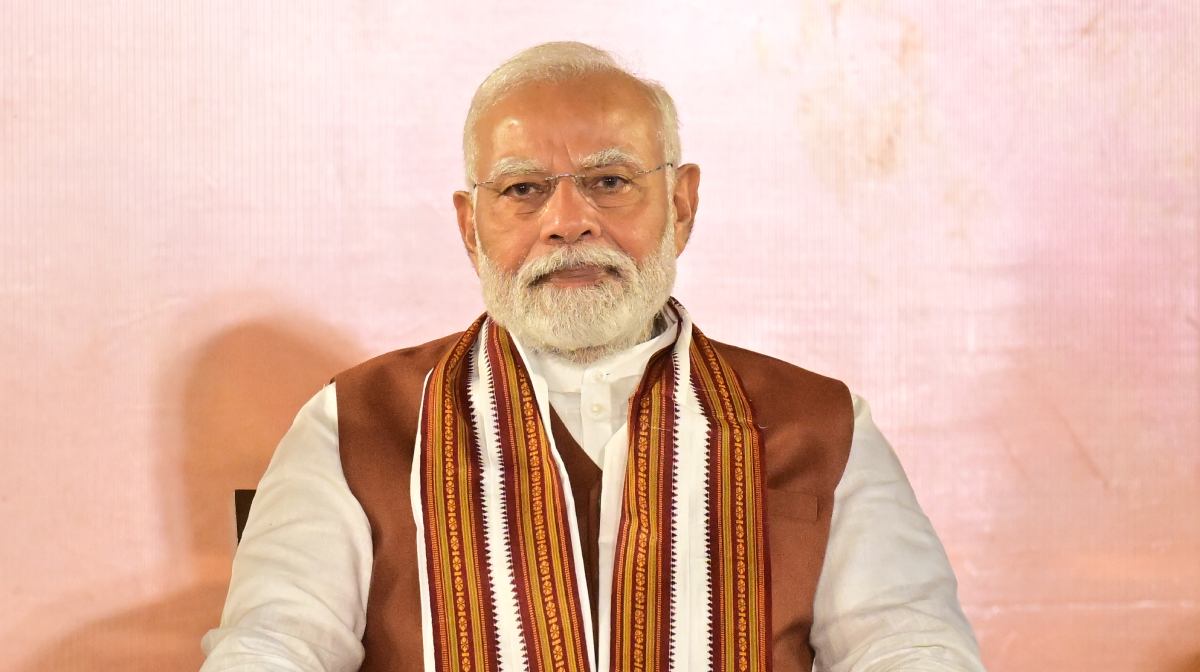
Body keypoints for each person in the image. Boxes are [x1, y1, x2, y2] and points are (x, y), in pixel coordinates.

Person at [201, 42, 986, 672]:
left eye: (609, 180)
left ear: (681, 204)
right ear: (470, 227)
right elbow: (274, 645)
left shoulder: (820, 425)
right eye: (522, 189)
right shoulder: (353, 424)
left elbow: (909, 646)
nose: (567, 220)